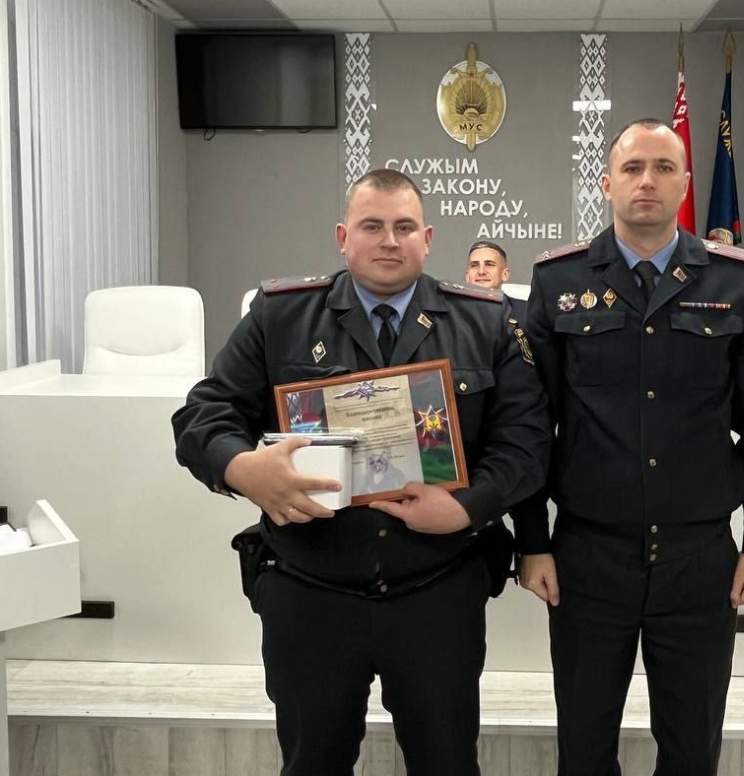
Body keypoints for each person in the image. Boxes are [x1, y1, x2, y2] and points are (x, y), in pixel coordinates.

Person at [172, 168, 549, 776]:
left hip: (436, 590)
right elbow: (202, 414)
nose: (389, 241)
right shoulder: (280, 316)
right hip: (311, 589)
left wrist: (466, 507)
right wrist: (242, 468)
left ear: (427, 238)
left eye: (404, 227)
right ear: (343, 237)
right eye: (372, 226)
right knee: (312, 764)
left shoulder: (485, 322)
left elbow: (526, 445)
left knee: (448, 764)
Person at [520, 118, 744, 776]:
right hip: (589, 557)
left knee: (692, 749)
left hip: (698, 560)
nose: (648, 181)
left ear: (685, 183)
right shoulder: (559, 281)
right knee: (584, 749)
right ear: (607, 182)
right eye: (633, 167)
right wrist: (532, 540)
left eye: (664, 168)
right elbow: (530, 425)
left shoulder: (734, 282)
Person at [465, 239, 526, 324]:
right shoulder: (453, 312)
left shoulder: (526, 312)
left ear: (505, 274)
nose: (481, 272)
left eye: (489, 264)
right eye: (474, 265)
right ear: (467, 276)